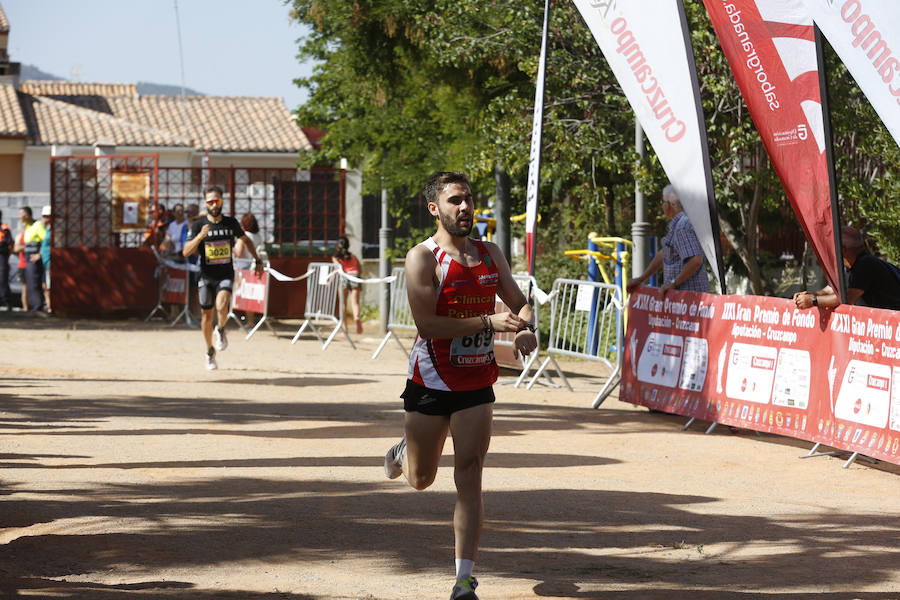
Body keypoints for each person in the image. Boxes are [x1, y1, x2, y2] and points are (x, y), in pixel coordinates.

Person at [383, 171, 537, 600]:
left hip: (476, 381)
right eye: (454, 200)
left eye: (468, 199)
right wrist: (489, 322)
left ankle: (463, 579)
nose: (465, 207)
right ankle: (404, 450)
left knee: (469, 474)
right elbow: (427, 325)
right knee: (421, 478)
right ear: (435, 208)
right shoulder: (423, 258)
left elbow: (519, 301)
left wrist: (525, 327)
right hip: (430, 379)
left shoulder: (489, 254)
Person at [182, 186, 263, 370]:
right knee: (206, 315)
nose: (214, 205)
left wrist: (257, 259)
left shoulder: (230, 223)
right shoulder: (197, 225)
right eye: (210, 201)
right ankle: (210, 351)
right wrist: (200, 236)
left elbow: (247, 240)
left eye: (217, 201)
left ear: (222, 202)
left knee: (222, 304)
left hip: (225, 274)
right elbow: (186, 251)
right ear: (205, 203)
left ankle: (221, 329)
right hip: (206, 276)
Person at [626, 184, 709, 297]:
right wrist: (641, 279)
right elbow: (664, 254)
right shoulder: (680, 224)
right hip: (686, 301)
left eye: (662, 201)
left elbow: (696, 260)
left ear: (669, 205)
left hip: (688, 299)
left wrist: (674, 283)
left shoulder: (682, 227)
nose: (662, 205)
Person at [793, 226, 900, 311]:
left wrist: (813, 301)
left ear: (843, 250)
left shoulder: (865, 264)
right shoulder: (847, 267)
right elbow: (830, 289)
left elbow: (847, 298)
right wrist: (809, 295)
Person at [331, 235, 364, 334]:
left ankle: (344, 329)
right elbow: (360, 270)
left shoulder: (335, 258)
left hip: (344, 278)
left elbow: (337, 270)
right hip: (355, 276)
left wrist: (330, 281)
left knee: (343, 304)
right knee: (355, 303)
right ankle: (357, 317)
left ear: (338, 246)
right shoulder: (353, 257)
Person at [20, 206, 47, 312]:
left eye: (20, 214)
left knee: (35, 283)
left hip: (34, 259)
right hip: (28, 258)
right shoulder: (28, 226)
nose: (19, 217)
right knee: (30, 283)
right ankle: (34, 306)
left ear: (27, 215)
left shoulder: (37, 225)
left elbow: (45, 242)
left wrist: (39, 255)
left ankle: (37, 306)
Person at [39, 205, 52, 313]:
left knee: (49, 286)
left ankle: (51, 307)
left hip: (50, 262)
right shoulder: (46, 230)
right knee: (45, 286)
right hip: (45, 261)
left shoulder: (53, 231)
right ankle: (48, 306)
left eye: (46, 216)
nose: (43, 218)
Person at [0, 210, 13, 310]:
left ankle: (7, 301)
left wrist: (8, 255)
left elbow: (10, 243)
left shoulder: (4, 228)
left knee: (3, 278)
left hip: (2, 256)